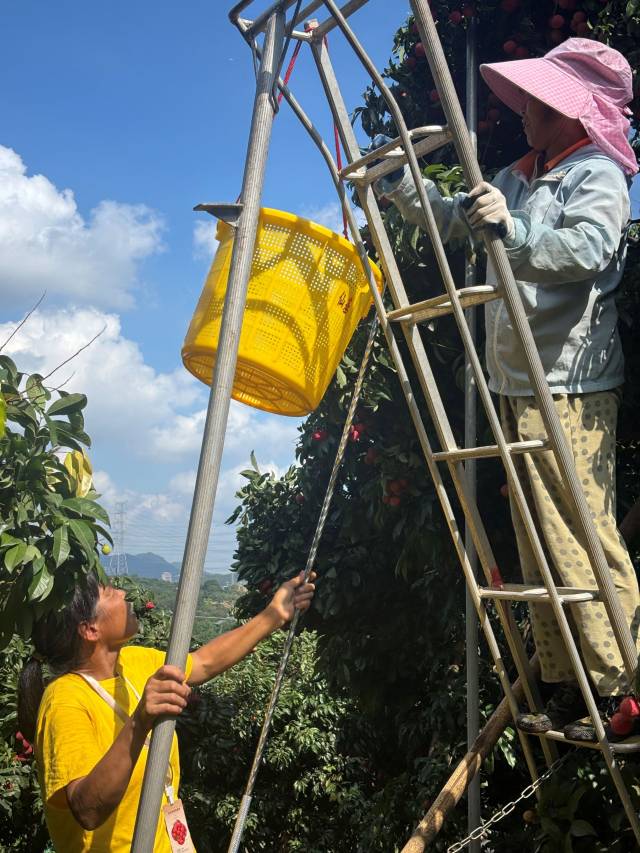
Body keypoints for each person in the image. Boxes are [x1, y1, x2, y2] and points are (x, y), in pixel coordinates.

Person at [374, 37, 640, 739]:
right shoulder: (522, 174)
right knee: (538, 544)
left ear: (568, 110)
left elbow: (585, 251)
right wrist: (404, 187)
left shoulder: (599, 176)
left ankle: (621, 688)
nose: (521, 109)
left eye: (535, 100)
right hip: (519, 383)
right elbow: (459, 217)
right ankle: (567, 685)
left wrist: (515, 232)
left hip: (572, 384)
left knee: (581, 534)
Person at [18, 569, 315, 852]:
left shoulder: (132, 662)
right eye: (109, 592)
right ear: (90, 629)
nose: (123, 593)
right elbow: (88, 809)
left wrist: (275, 614)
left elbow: (203, 663)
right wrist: (140, 721)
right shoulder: (65, 699)